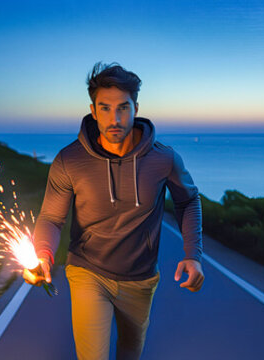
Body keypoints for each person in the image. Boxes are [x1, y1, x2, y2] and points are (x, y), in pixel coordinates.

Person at [24, 62, 205, 360]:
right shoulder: (69, 161)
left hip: (141, 278)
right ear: (93, 110)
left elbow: (188, 201)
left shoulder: (165, 159)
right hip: (87, 272)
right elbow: (51, 218)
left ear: (136, 107)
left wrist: (192, 255)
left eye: (123, 108)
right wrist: (43, 254)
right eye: (105, 108)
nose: (115, 119)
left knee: (129, 353)